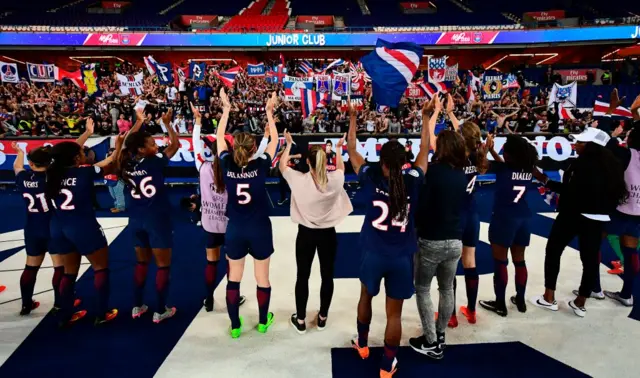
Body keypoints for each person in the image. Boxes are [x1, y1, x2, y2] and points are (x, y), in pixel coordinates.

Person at [349, 97, 430, 378]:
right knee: (394, 314)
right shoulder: (412, 180)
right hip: (401, 256)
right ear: (404, 163)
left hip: (373, 251)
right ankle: (387, 365)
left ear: (382, 162)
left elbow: (351, 149)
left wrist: (351, 119)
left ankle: (361, 344)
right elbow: (424, 152)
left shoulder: (371, 176)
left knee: (365, 297)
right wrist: (426, 118)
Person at [531, 128, 628, 317]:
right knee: (590, 260)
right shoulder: (614, 165)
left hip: (572, 215)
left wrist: (543, 179)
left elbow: (569, 191)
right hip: (598, 219)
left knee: (553, 250)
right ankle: (580, 302)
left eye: (580, 142)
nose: (575, 144)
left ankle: (548, 297)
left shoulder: (580, 164)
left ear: (591, 146)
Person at [45, 118, 122, 326]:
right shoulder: (85, 172)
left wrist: (87, 133)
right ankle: (101, 313)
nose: (84, 154)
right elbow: (112, 165)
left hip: (59, 228)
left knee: (68, 273)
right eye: (81, 153)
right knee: (100, 268)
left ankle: (66, 314)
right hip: (84, 227)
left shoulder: (50, 174)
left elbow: (64, 154)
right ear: (75, 158)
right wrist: (119, 147)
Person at [216, 89, 279, 339]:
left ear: (235, 146)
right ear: (254, 147)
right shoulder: (261, 164)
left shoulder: (226, 164)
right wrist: (269, 112)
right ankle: (263, 322)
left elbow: (219, 136)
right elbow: (274, 140)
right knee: (262, 278)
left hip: (236, 229)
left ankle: (234, 325)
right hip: (260, 228)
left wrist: (226, 110)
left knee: (234, 279)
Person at [409, 96, 468, 360]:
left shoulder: (431, 172)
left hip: (430, 238)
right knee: (447, 289)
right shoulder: (464, 172)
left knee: (422, 289)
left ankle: (431, 340)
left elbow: (426, 145)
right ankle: (440, 334)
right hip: (455, 239)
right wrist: (449, 115)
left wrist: (428, 117)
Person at [281, 130, 353, 334]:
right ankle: (322, 317)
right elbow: (341, 167)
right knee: (327, 276)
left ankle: (301, 320)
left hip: (305, 234)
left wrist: (288, 145)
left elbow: (281, 166)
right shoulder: (335, 180)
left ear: (308, 162)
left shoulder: (298, 179)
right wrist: (339, 149)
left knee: (302, 276)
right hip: (328, 234)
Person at [117, 108, 179, 324]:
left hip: (135, 219)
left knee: (141, 264)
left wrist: (138, 123)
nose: (156, 146)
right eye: (152, 144)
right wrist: (168, 124)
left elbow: (125, 145)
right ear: (142, 150)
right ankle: (160, 309)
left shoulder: (125, 162)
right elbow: (175, 145)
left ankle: (137, 305)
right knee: (163, 266)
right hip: (157, 219)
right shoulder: (155, 161)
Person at [191, 104, 247, 312]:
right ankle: (233, 298)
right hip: (230, 224)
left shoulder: (203, 167)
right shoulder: (236, 171)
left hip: (209, 223)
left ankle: (208, 299)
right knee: (232, 265)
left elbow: (196, 147)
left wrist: (197, 123)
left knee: (211, 263)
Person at [479, 134, 539, 317]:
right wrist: (492, 151)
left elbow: (482, 167)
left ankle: (500, 303)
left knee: (500, 262)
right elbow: (507, 166)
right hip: (524, 217)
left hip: (504, 218)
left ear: (510, 154)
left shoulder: (502, 168)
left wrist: (484, 150)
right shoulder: (528, 167)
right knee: (519, 260)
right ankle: (520, 300)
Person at [12, 142, 58, 315]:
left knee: (30, 267)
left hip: (32, 227)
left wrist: (19, 152)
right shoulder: (52, 179)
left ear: (31, 163)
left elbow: (17, 166)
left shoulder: (23, 178)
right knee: (59, 268)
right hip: (52, 226)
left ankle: (26, 303)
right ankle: (60, 302)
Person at [455, 121, 489, 325]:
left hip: (455, 216)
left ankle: (450, 315)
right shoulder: (478, 157)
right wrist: (450, 113)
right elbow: (465, 133)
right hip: (472, 214)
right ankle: (472, 310)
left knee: (449, 266)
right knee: (470, 261)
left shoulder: (454, 158)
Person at [603, 124, 640, 306]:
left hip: (620, 208)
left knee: (593, 243)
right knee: (631, 250)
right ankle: (627, 294)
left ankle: (592, 288)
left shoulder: (627, 154)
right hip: (638, 211)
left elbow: (607, 148)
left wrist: (614, 134)